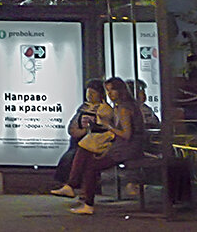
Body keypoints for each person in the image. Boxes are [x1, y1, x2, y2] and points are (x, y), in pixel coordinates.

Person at [50, 76, 147, 215]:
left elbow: (126, 134)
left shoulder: (124, 109)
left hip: (126, 149)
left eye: (112, 91)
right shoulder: (124, 107)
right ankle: (77, 191)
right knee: (87, 156)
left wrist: (108, 127)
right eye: (108, 91)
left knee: (91, 165)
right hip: (125, 147)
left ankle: (84, 199)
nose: (110, 95)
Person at [53, 79, 111, 187]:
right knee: (68, 158)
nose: (90, 96)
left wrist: (86, 131)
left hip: (93, 140)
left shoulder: (104, 109)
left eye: (93, 93)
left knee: (77, 157)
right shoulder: (83, 107)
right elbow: (74, 122)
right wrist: (75, 131)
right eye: (88, 93)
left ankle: (74, 185)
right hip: (77, 138)